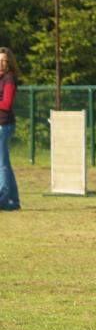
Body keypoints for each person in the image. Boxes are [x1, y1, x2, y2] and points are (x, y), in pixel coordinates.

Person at [0, 47, 21, 211]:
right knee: (4, 162)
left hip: (4, 124)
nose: (1, 63)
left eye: (4, 61)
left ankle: (3, 199)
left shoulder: (10, 78)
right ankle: (13, 201)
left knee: (2, 164)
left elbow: (6, 104)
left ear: (9, 63)